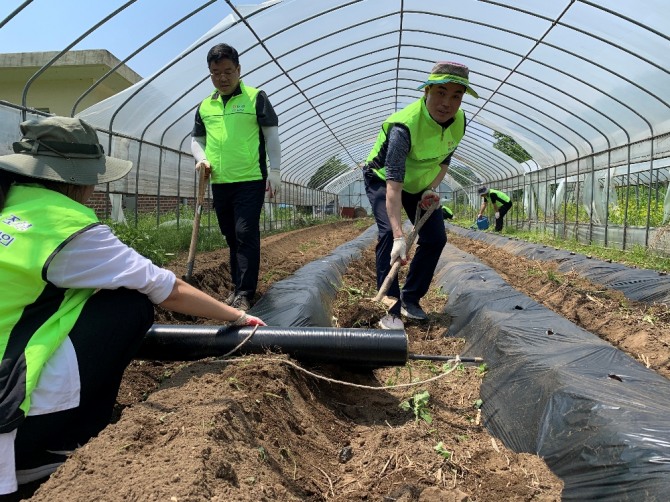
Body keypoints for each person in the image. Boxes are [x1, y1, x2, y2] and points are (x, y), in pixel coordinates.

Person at [0, 116, 266, 496]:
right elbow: (165, 288)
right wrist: (237, 315)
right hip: (11, 417)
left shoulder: (9, 202)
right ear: (76, 179)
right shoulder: (64, 225)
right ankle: (57, 443)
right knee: (129, 303)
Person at [363, 61, 478, 330]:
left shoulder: (459, 122)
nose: (447, 103)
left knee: (436, 238)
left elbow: (444, 161)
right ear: (426, 91)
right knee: (389, 235)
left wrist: (431, 188)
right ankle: (389, 305)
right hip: (383, 180)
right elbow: (393, 187)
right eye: (440, 92)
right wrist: (400, 236)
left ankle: (411, 298)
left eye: (456, 96)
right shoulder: (404, 127)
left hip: (421, 183)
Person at [191, 43, 281, 312]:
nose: (223, 78)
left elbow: (271, 135)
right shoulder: (206, 106)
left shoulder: (255, 97)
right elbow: (196, 139)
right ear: (210, 74)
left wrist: (274, 170)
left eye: (228, 71)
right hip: (220, 182)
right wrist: (202, 158)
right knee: (231, 236)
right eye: (216, 72)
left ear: (238, 70)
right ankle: (237, 286)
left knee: (245, 233)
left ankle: (245, 292)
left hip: (250, 179)